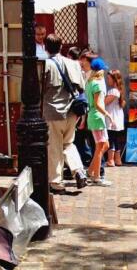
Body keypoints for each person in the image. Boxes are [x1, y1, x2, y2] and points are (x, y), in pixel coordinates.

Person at [41, 34, 88, 192]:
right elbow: (82, 87)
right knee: (68, 144)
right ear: (61, 47)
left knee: (54, 147)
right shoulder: (73, 64)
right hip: (72, 112)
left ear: (45, 47)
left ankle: (56, 182)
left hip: (53, 112)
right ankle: (78, 170)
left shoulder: (45, 65)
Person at [85, 59, 113, 186]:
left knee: (104, 145)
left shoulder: (90, 82)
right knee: (99, 148)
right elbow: (97, 104)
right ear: (100, 70)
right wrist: (107, 114)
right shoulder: (97, 84)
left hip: (95, 116)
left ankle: (90, 171)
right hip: (97, 117)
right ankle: (96, 177)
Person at [105, 70, 125, 167]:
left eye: (109, 78)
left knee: (111, 138)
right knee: (116, 139)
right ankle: (118, 160)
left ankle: (110, 160)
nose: (107, 80)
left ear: (114, 79)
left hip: (112, 118)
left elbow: (105, 102)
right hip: (117, 117)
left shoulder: (113, 91)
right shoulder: (119, 90)